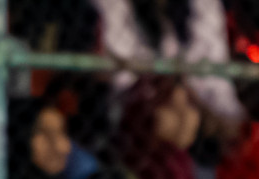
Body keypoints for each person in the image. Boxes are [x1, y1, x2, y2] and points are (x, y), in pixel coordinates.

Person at [90, 0, 245, 130]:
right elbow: (122, 76)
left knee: (185, 115)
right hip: (130, 108)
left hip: (191, 104)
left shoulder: (188, 10)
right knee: (171, 118)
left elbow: (217, 86)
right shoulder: (115, 6)